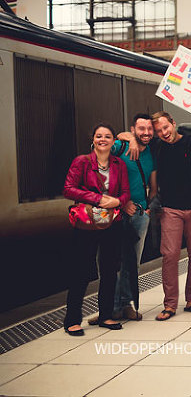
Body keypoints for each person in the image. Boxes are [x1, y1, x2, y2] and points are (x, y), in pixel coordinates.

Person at [121, 111, 191, 321]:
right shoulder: (156, 146)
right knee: (170, 255)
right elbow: (121, 135)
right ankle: (170, 304)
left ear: (173, 123)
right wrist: (132, 138)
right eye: (159, 131)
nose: (163, 132)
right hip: (170, 209)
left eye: (166, 127)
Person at [62, 124, 130, 335]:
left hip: (111, 223)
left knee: (110, 270)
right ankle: (72, 319)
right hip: (86, 223)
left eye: (107, 136)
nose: (103, 140)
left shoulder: (119, 164)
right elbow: (68, 189)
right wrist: (98, 199)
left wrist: (118, 201)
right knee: (81, 270)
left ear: (113, 141)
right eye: (99, 136)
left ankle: (105, 315)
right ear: (93, 139)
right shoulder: (81, 162)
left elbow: (126, 192)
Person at [107, 113, 157, 322]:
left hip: (139, 214)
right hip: (115, 212)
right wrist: (130, 139)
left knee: (132, 263)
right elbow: (99, 148)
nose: (146, 132)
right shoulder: (120, 147)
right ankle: (109, 307)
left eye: (149, 129)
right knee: (110, 261)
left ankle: (125, 305)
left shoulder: (152, 153)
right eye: (141, 129)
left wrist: (147, 209)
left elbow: (154, 186)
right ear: (133, 129)